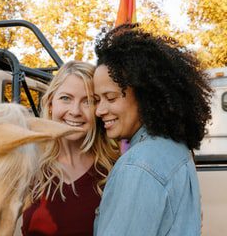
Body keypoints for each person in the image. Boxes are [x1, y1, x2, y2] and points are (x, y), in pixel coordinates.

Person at [93, 24, 212, 236]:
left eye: (110, 98)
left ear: (144, 95)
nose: (99, 110)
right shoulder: (175, 149)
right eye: (96, 100)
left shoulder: (138, 165)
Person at [21, 60, 119, 235]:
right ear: (50, 104)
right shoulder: (28, 167)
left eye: (87, 101)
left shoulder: (114, 171)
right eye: (65, 98)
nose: (75, 111)